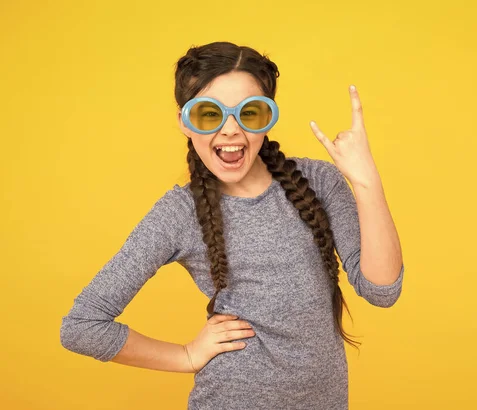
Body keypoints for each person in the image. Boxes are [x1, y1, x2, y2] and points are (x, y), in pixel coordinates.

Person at [60, 41, 405, 410]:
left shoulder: (320, 182)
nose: (229, 130)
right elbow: (82, 326)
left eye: (249, 113)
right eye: (209, 114)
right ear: (184, 121)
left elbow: (382, 291)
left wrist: (366, 181)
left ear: (269, 116)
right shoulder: (179, 213)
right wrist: (187, 356)